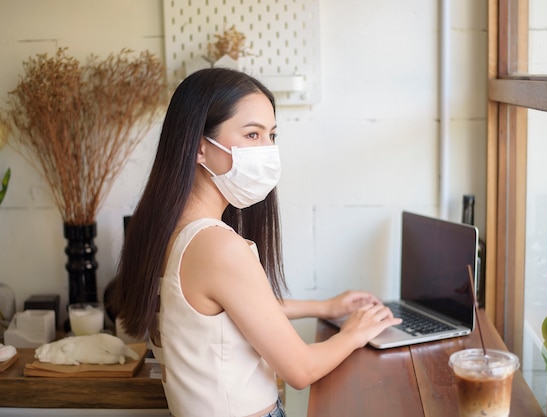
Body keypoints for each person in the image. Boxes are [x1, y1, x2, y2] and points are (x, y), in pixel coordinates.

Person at [110, 67, 402, 417]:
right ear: (200, 148)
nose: (267, 150)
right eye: (252, 135)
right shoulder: (217, 246)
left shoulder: (167, 231)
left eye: (271, 136)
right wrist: (356, 332)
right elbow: (300, 370)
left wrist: (322, 307)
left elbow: (233, 311)